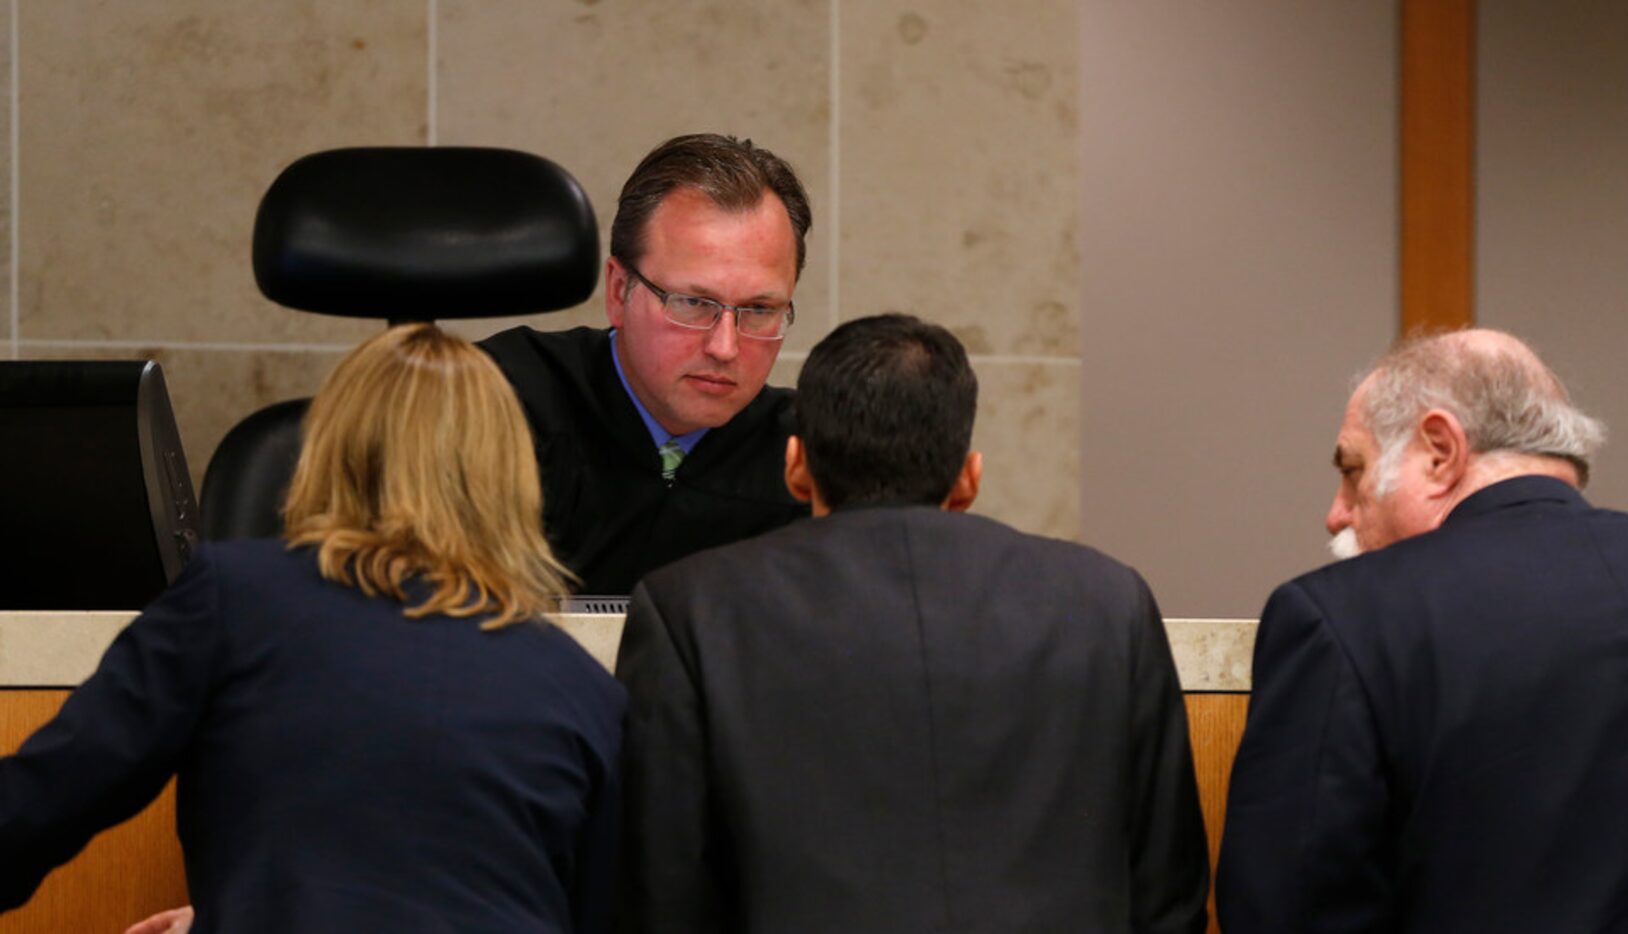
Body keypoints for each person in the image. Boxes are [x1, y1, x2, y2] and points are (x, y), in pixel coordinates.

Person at [0, 324, 626, 932]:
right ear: (509, 475)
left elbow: (38, 804)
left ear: (328, 449)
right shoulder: (582, 687)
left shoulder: (235, 600)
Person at [615, 313, 1210, 933]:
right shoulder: (1109, 604)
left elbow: (662, 897)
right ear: (968, 478)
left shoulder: (691, 608)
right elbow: (1168, 897)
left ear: (796, 466)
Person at [1216, 329, 1628, 931]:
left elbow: (1288, 912)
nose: (1337, 511)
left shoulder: (1343, 620)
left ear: (1440, 451)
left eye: (1353, 470)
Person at [482, 133, 813, 595]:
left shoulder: (811, 456)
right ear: (619, 292)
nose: (725, 347)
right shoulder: (497, 404)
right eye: (693, 302)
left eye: (759, 310)